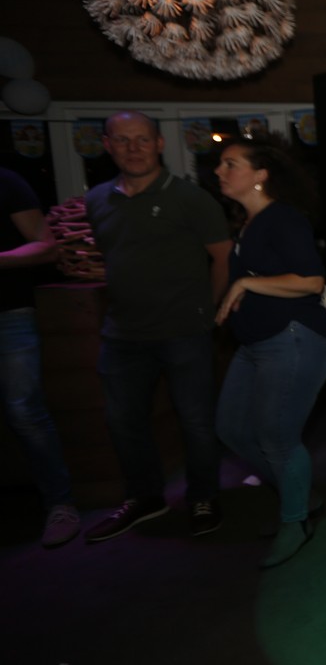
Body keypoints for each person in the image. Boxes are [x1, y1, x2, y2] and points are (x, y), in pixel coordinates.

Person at [83, 111, 232, 543]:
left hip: (184, 330)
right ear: (107, 145)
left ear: (159, 144)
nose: (133, 148)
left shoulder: (190, 198)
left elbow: (223, 257)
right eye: (122, 140)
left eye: (142, 139)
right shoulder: (96, 200)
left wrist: (208, 312)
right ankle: (146, 498)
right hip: (122, 334)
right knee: (123, 422)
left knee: (196, 422)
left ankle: (203, 497)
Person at [213, 135, 326, 568]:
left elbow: (311, 281)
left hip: (294, 338)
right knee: (231, 427)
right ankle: (298, 493)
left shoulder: (283, 218)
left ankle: (295, 521)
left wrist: (246, 283)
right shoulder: (247, 225)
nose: (219, 171)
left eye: (230, 164)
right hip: (256, 343)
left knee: (277, 437)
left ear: (260, 175)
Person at [0, 166, 80, 548]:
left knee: (25, 413)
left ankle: (60, 504)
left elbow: (46, 246)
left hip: (8, 314)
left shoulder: (5, 182)